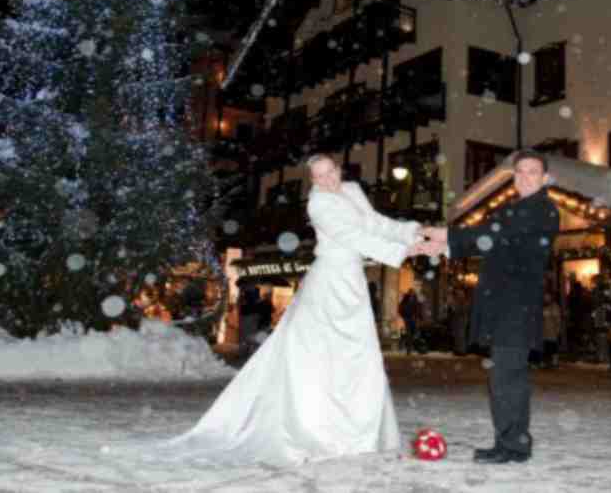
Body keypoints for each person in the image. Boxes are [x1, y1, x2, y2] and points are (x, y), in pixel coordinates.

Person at [167, 154, 425, 465]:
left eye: (330, 172)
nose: (327, 180)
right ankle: (318, 427)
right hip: (330, 280)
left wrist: (414, 232)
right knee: (318, 353)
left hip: (353, 280)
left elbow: (375, 223)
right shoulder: (318, 204)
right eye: (319, 177)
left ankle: (358, 428)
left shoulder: (353, 190)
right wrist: (402, 250)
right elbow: (352, 237)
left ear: (338, 169)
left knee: (357, 352)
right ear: (313, 181)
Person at [419, 150, 560, 465]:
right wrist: (444, 246)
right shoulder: (515, 209)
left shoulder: (542, 209)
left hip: (516, 307)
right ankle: (511, 442)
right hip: (506, 306)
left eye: (532, 171)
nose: (524, 177)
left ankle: (513, 445)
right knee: (505, 376)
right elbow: (487, 238)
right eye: (519, 171)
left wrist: (446, 234)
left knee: (507, 378)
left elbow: (491, 234)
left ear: (545, 177)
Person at [398, 287, 422, 353]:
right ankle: (409, 349)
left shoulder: (415, 300)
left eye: (412, 293)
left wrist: (419, 317)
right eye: (410, 293)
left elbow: (418, 309)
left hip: (413, 319)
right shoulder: (405, 299)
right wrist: (403, 316)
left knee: (415, 333)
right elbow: (400, 308)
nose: (411, 294)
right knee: (409, 334)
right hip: (408, 319)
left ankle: (414, 347)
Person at [540, 291, 561, 369]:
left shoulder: (554, 307)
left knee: (553, 347)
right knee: (544, 347)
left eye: (548, 297)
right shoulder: (542, 307)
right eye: (545, 297)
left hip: (552, 331)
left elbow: (558, 320)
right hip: (543, 332)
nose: (546, 298)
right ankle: (544, 362)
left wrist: (558, 329)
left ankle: (554, 362)